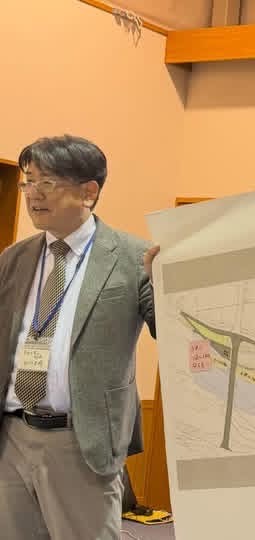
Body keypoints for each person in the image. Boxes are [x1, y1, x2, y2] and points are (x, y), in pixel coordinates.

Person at [0, 134, 157, 540]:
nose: (33, 194)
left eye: (47, 182)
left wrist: (175, 282)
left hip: (81, 441)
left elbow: (172, 333)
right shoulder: (14, 258)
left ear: (89, 192)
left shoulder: (134, 259)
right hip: (12, 437)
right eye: (27, 182)